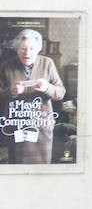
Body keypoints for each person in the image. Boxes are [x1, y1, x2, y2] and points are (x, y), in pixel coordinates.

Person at [0, 28, 65, 163]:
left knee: (40, 172)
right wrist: (10, 92)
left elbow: (60, 92)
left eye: (31, 48)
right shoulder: (6, 66)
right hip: (17, 126)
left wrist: (47, 87)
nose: (27, 53)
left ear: (38, 49)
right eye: (23, 48)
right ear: (17, 49)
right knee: (17, 168)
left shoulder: (47, 63)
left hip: (41, 127)